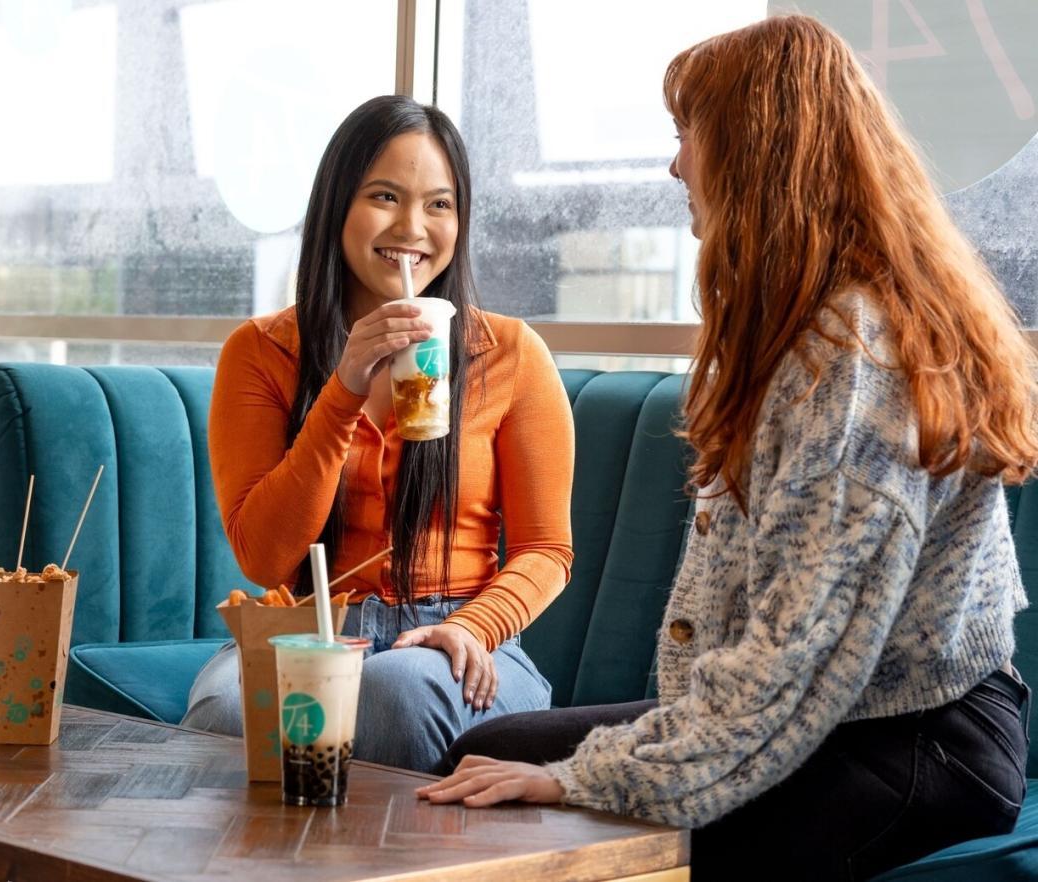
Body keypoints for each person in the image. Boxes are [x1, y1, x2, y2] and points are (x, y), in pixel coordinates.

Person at [418, 15, 1036, 881]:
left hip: (920, 740)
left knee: (554, 832)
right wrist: (579, 769)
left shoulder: (856, 356)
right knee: (486, 753)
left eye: (686, 136)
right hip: (835, 709)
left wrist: (582, 780)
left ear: (758, 150)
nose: (675, 166)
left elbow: (796, 658)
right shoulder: (803, 331)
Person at [181, 95, 574, 774]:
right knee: (226, 716)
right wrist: (344, 389)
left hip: (459, 630)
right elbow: (266, 557)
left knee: (393, 694)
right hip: (309, 628)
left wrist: (469, 627)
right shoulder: (261, 351)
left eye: (440, 205)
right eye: (385, 196)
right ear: (339, 207)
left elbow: (547, 550)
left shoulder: (509, 353)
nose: (413, 227)